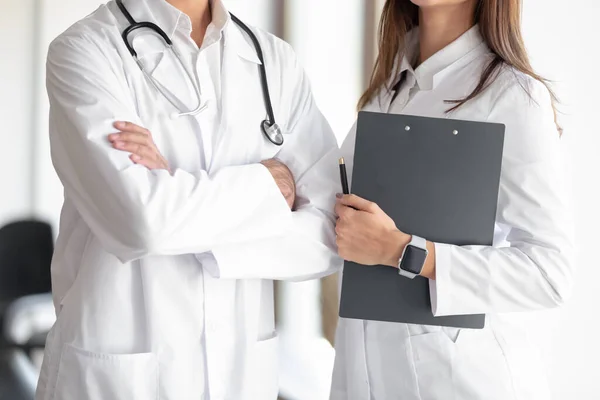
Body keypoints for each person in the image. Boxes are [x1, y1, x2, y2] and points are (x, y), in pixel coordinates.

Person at [37, 0, 342, 399]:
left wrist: (175, 204)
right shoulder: (86, 49)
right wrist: (270, 186)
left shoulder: (274, 60)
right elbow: (140, 223)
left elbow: (327, 235)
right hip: (119, 376)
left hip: (242, 372)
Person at [330, 0, 574, 399]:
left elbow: (549, 274)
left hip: (462, 380)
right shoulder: (389, 88)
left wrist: (403, 252)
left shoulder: (512, 94)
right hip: (367, 372)